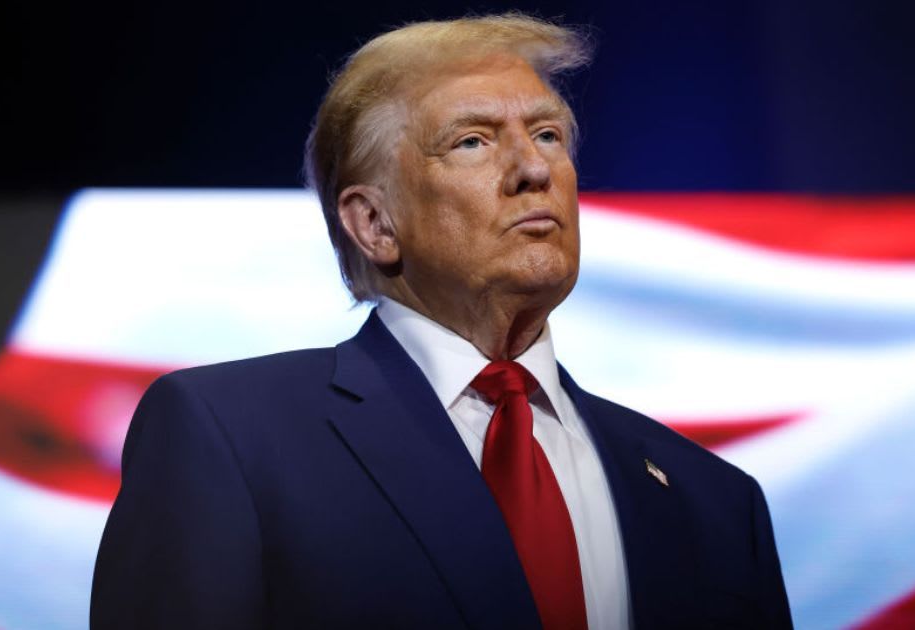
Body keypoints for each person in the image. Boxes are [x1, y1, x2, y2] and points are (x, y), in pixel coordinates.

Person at [91, 14, 792, 630]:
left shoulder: (714, 501)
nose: (534, 169)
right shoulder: (233, 438)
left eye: (548, 134)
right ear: (374, 223)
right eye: (472, 142)